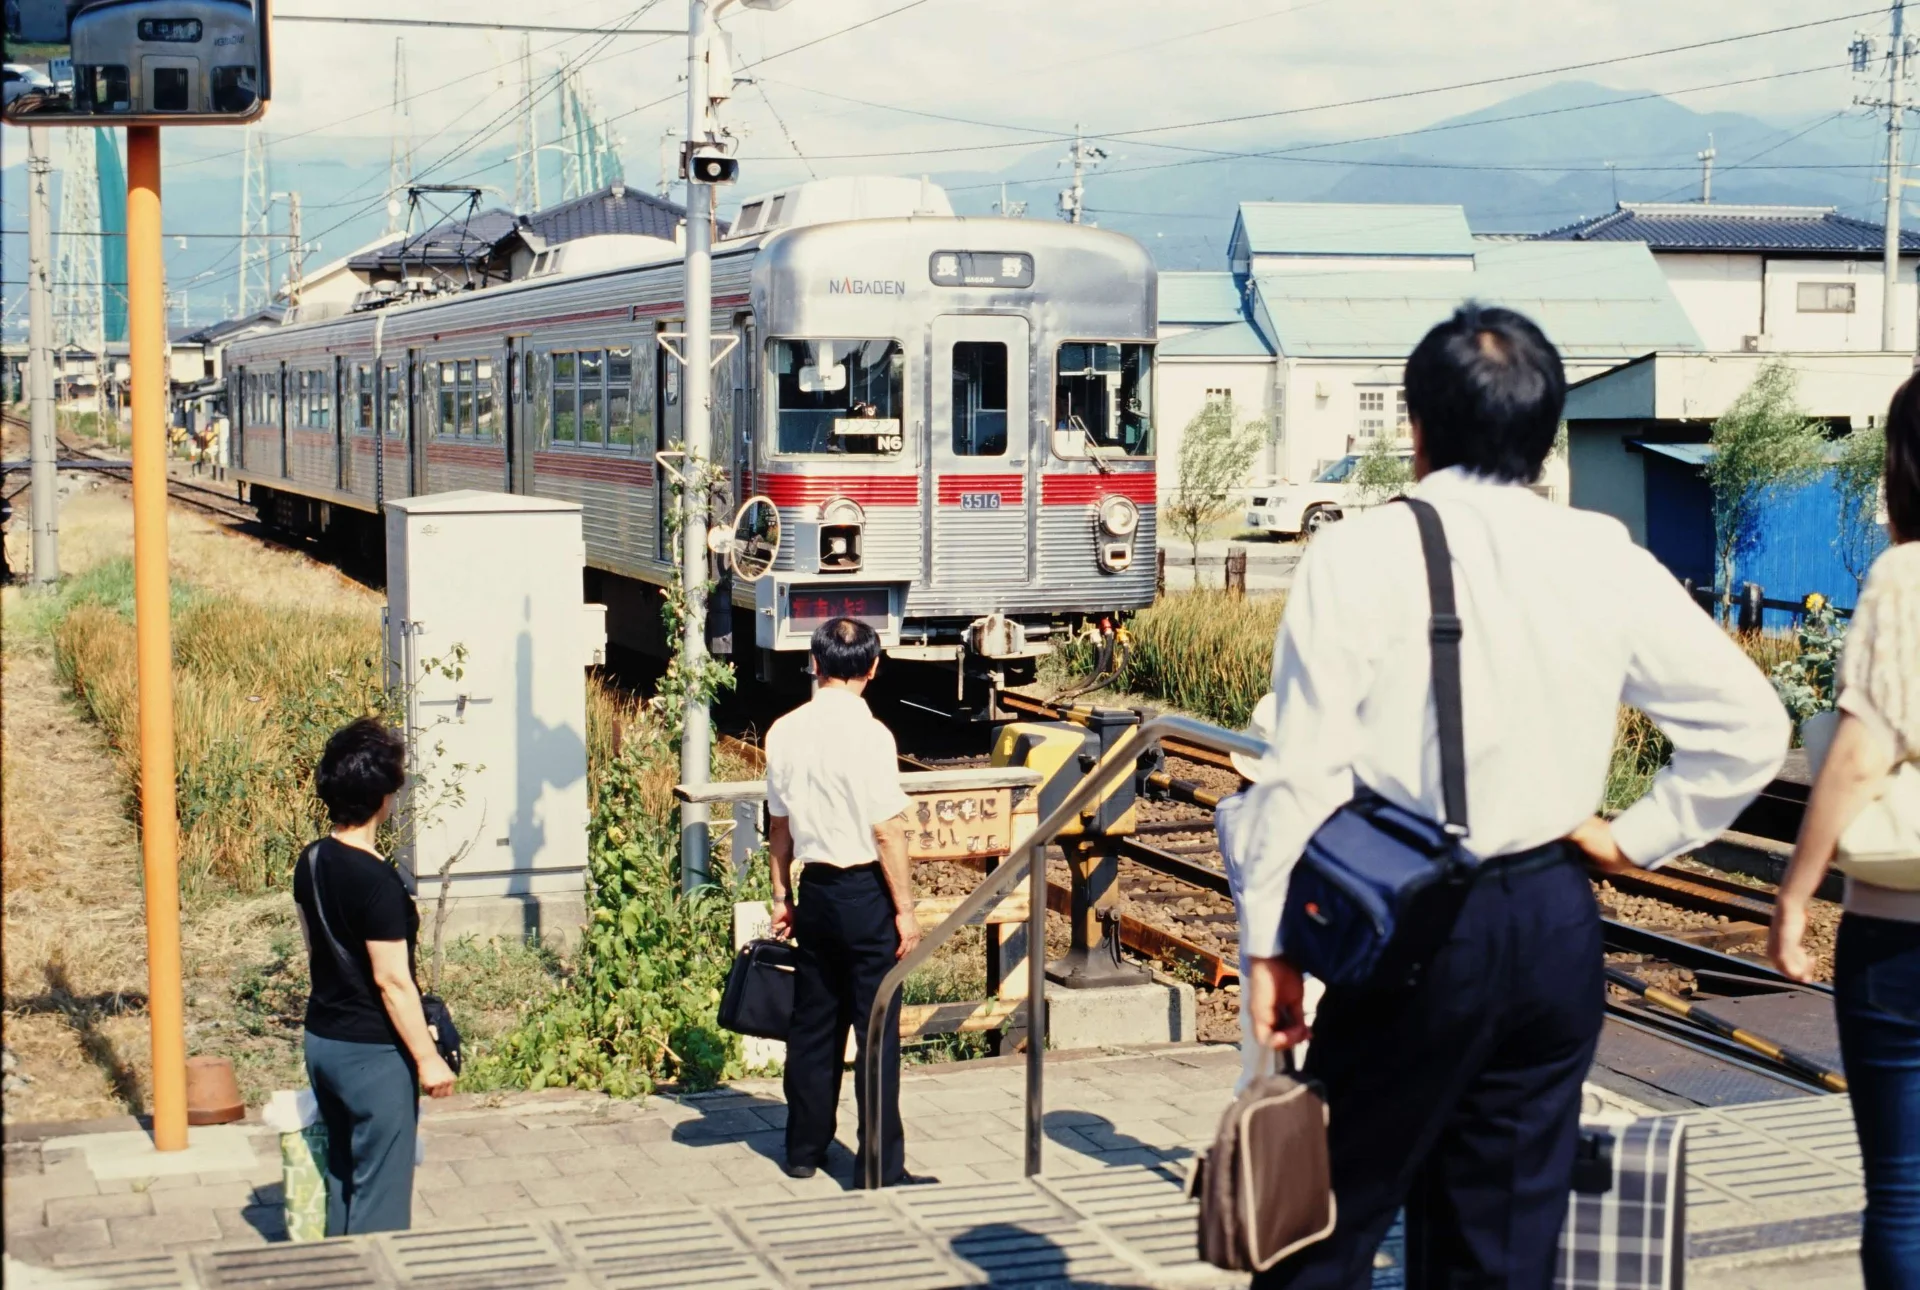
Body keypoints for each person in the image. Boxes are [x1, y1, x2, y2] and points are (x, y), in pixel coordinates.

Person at [1224, 303, 1789, 1287]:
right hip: (1553, 920)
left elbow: (1302, 775)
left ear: (1416, 427)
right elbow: (1749, 727)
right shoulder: (1602, 552)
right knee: (1502, 1252)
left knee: (1320, 1234)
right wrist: (1636, 837)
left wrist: (1270, 950)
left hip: (1407, 930)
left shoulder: (1358, 553)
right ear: (1545, 432)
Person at [1770, 377, 1920, 1289]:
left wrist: (1794, 894)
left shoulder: (1905, 576)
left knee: (1905, 1193)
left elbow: (1862, 755)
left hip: (1902, 930)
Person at [765, 617, 932, 1187]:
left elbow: (779, 827)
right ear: (873, 667)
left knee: (814, 1024)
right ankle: (878, 1166)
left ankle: (803, 1150)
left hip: (815, 892)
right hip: (865, 895)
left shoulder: (784, 731)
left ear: (814, 664)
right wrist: (905, 910)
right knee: (875, 1029)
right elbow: (887, 831)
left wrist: (782, 895)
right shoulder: (873, 736)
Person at [293, 718, 456, 1236]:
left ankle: (338, 1268)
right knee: (380, 1194)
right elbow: (392, 982)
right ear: (385, 797)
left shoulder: (311, 860)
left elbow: (315, 947)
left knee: (343, 1178)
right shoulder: (379, 883)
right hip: (373, 1055)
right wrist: (427, 1059)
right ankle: (373, 1271)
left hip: (323, 1042)